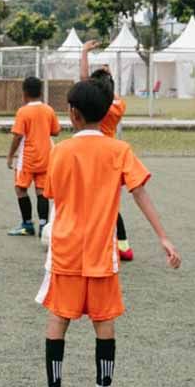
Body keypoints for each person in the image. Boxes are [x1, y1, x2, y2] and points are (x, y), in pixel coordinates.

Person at [36, 80, 181, 387]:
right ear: (106, 115)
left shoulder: (60, 151)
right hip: (102, 253)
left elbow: (51, 194)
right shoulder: (119, 150)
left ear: (73, 114)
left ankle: (55, 384)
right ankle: (103, 385)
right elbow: (139, 192)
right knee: (104, 321)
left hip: (66, 251)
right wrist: (163, 237)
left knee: (58, 318)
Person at [81, 40, 133, 262]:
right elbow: (110, 91)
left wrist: (84, 52)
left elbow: (83, 82)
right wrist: (108, 76)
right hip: (112, 156)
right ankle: (123, 245)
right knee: (110, 202)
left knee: (89, 202)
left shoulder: (94, 104)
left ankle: (95, 244)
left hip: (92, 154)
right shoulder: (119, 105)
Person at [6, 76, 61, 237]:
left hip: (27, 158)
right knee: (41, 191)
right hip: (46, 156)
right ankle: (44, 226)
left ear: (24, 93)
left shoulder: (23, 112)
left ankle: (27, 224)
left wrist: (10, 156)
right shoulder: (48, 110)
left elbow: (17, 136)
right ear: (41, 92)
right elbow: (56, 131)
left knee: (20, 189)